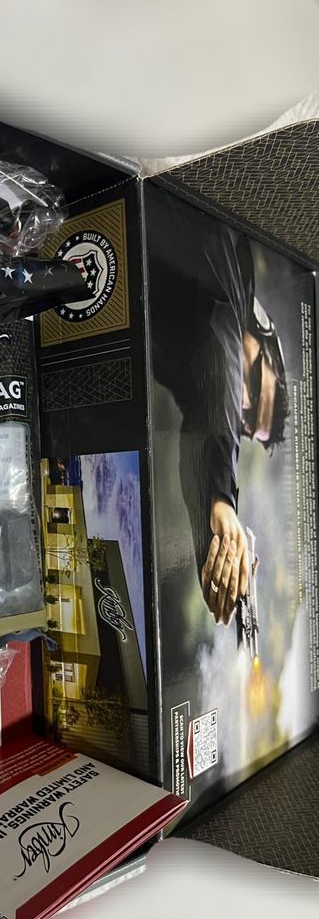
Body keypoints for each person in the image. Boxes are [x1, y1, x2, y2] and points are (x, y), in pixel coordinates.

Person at [148, 190, 289, 627]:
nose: (241, 402)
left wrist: (213, 543)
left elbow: (202, 422)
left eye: (246, 420)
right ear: (263, 335)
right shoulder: (232, 278)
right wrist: (223, 500)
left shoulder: (190, 377)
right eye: (255, 388)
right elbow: (221, 344)